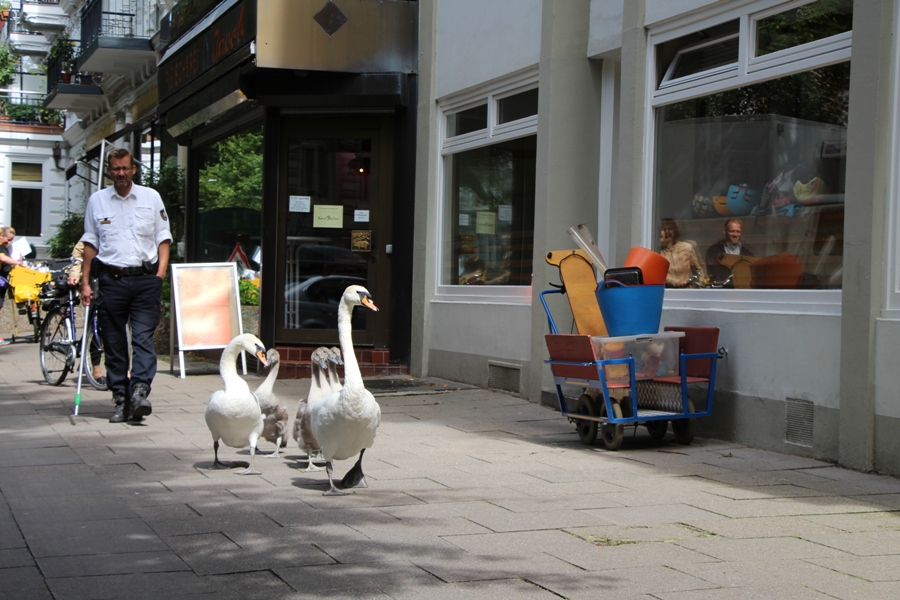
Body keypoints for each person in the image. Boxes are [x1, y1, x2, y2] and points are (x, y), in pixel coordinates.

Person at [81, 148, 172, 423]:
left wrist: (160, 275)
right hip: (112, 280)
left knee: (143, 338)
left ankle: (140, 392)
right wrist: (85, 283)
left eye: (125, 168)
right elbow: (90, 243)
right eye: (115, 169)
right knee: (115, 342)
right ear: (109, 171)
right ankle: (121, 398)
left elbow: (163, 238)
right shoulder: (97, 201)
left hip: (146, 280)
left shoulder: (150, 197)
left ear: (133, 169)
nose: (120, 173)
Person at [68, 240, 106, 384]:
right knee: (95, 324)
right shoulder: (92, 234)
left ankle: (125, 370)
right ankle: (96, 370)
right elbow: (78, 255)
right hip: (94, 280)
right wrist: (75, 274)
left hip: (116, 281)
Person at [704, 218, 755, 286]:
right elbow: (714, 275)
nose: (735, 234)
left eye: (738, 231)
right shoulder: (714, 252)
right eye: (732, 231)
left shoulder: (748, 254)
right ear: (725, 231)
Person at [659, 218, 705, 288]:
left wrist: (700, 286)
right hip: (668, 291)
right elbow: (659, 274)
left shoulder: (687, 247)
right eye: (663, 229)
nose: (667, 232)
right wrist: (676, 282)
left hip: (687, 290)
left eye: (670, 229)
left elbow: (698, 269)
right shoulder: (657, 251)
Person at [0, 227, 26, 347]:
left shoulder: (4, 247)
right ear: (2, 235)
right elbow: (3, 258)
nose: (9, 242)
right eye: (8, 239)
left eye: (11, 240)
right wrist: (18, 263)